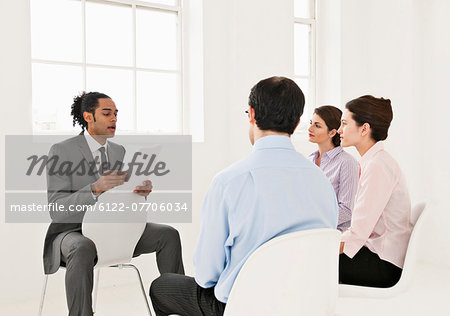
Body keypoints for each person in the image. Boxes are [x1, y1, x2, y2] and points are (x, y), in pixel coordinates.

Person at [149, 77, 338, 316]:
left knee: (162, 286)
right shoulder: (321, 181)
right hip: (305, 305)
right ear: (298, 121)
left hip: (243, 306)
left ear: (251, 113)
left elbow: (207, 275)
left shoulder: (229, 181)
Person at [42, 92, 184, 316]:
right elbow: (57, 210)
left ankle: (178, 308)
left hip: (112, 229)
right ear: (88, 117)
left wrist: (139, 191)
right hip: (71, 232)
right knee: (83, 247)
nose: (114, 119)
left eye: (116, 114)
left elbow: (118, 195)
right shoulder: (62, 150)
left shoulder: (118, 151)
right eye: (107, 113)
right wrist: (94, 188)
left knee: (168, 235)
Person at [338, 95, 412, 288]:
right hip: (376, 254)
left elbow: (358, 232)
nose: (339, 130)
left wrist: (324, 245)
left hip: (384, 264)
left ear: (364, 128)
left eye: (345, 123)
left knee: (314, 261)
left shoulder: (377, 166)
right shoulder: (374, 162)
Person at [308, 105, 359, 231]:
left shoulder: (347, 162)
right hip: (309, 231)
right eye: (311, 123)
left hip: (334, 235)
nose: (310, 128)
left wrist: (314, 223)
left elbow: (347, 210)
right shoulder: (309, 160)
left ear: (332, 132)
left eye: (317, 125)